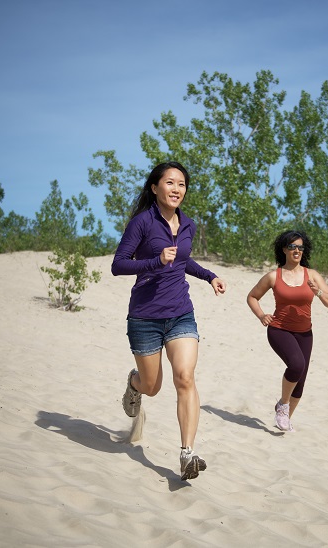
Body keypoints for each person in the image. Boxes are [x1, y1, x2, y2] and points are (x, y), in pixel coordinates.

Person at [111, 161, 227, 481]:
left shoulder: (187, 224)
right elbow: (118, 265)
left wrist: (209, 276)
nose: (177, 189)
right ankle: (134, 385)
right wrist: (154, 261)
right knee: (153, 386)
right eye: (170, 183)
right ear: (155, 188)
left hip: (180, 313)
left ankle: (187, 453)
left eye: (182, 185)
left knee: (185, 377)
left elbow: (184, 260)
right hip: (145, 318)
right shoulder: (142, 223)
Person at [246, 230, 328, 432]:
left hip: (305, 333)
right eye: (293, 246)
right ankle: (283, 406)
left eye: (300, 247)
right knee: (296, 365)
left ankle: (284, 419)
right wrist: (261, 315)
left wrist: (317, 291)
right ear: (284, 249)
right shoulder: (273, 276)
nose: (297, 250)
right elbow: (252, 297)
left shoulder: (312, 275)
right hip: (279, 330)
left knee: (300, 381)